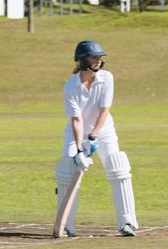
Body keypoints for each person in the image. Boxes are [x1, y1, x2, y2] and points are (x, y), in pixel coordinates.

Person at [55, 40, 138, 237]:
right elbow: (76, 120)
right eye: (94, 57)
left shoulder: (107, 78)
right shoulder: (70, 87)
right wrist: (78, 149)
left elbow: (104, 110)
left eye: (100, 57)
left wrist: (93, 138)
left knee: (118, 168)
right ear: (82, 59)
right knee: (67, 171)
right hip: (76, 132)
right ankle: (66, 224)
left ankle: (127, 222)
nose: (98, 61)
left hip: (104, 131)